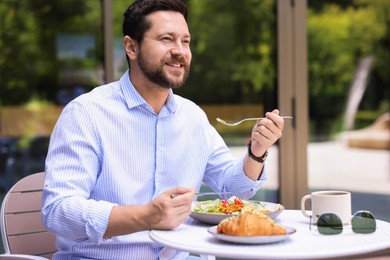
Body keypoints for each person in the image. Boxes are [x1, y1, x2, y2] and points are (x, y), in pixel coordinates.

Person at [41, 0, 286, 259]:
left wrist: (257, 150)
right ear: (131, 47)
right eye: (167, 39)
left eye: (185, 41)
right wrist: (145, 216)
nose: (179, 51)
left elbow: (231, 189)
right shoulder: (86, 114)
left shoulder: (192, 116)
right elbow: (57, 211)